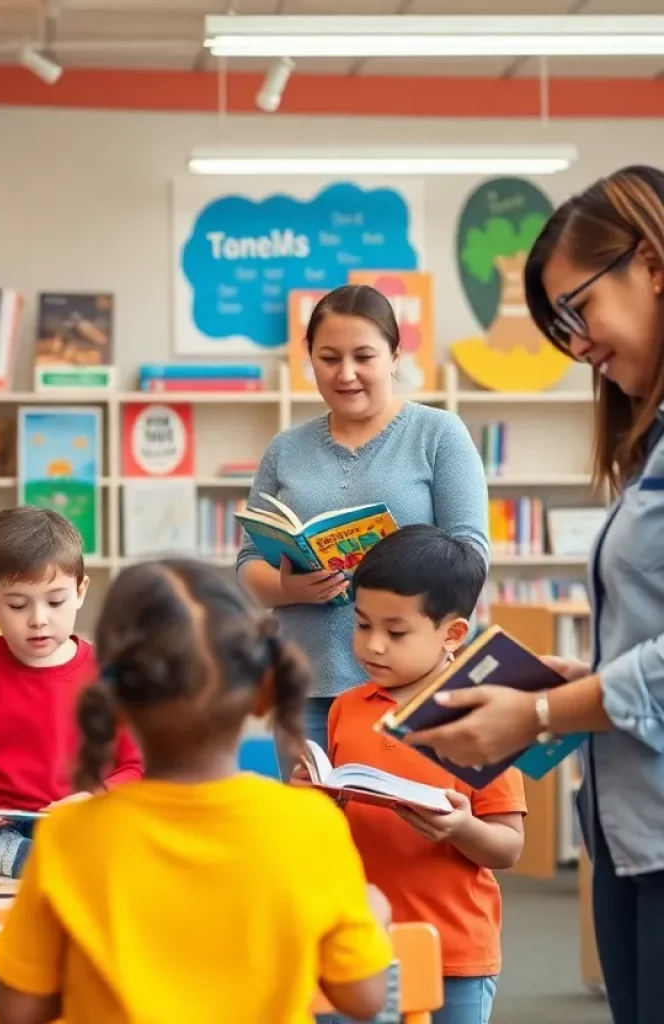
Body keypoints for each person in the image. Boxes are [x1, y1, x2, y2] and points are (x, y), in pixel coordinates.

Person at [402, 165, 664, 1024]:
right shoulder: (649, 437)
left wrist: (547, 716)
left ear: (652, 262)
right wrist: (580, 676)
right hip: (630, 832)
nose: (577, 344)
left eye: (578, 311)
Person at [0, 558, 394, 1024]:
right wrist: (374, 911)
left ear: (114, 703)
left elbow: (19, 1010)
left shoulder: (70, 835)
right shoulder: (310, 825)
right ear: (263, 691)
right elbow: (363, 999)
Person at [238, 284, 490, 761]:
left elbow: (470, 555)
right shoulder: (285, 449)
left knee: (405, 827)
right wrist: (292, 589)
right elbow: (249, 565)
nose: (346, 373)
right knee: (310, 827)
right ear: (308, 357)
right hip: (306, 684)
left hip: (412, 685)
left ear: (395, 355)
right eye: (328, 357)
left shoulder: (438, 435)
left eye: (364, 356)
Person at [312, 526, 526, 1024]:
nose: (373, 646)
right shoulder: (347, 708)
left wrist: (463, 828)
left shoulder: (480, 713)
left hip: (454, 950)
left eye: (396, 631)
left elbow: (509, 846)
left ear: (452, 634)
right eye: (362, 625)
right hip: (363, 942)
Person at [0, 506, 142, 878]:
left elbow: (136, 768)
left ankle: (31, 857)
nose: (39, 619)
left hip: (81, 820)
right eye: (17, 604)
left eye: (55, 602)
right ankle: (28, 857)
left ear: (80, 592)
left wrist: (97, 796)